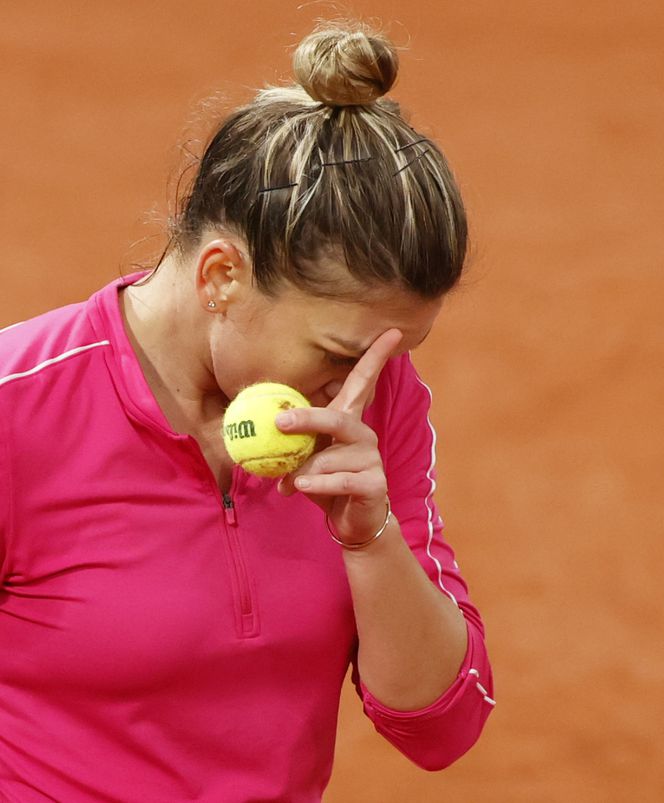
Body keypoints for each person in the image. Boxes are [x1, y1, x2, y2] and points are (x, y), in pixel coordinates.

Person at [0, 21, 494, 801]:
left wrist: (372, 542)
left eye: (393, 353)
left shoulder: (373, 405)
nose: (360, 384)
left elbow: (443, 724)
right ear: (223, 275)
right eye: (338, 351)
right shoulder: (18, 412)